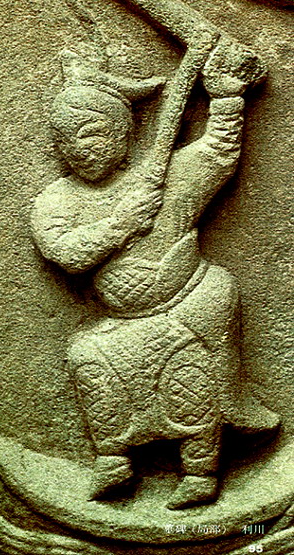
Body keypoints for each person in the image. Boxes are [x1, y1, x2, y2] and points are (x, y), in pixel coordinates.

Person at [31, 36, 279, 510]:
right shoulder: (57, 200)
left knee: (190, 375)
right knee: (88, 358)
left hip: (187, 302)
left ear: (123, 135)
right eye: (65, 140)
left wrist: (227, 95)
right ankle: (114, 460)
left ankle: (200, 469)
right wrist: (121, 224)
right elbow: (65, 253)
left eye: (91, 134)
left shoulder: (166, 178)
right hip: (122, 321)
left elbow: (217, 154)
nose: (78, 149)